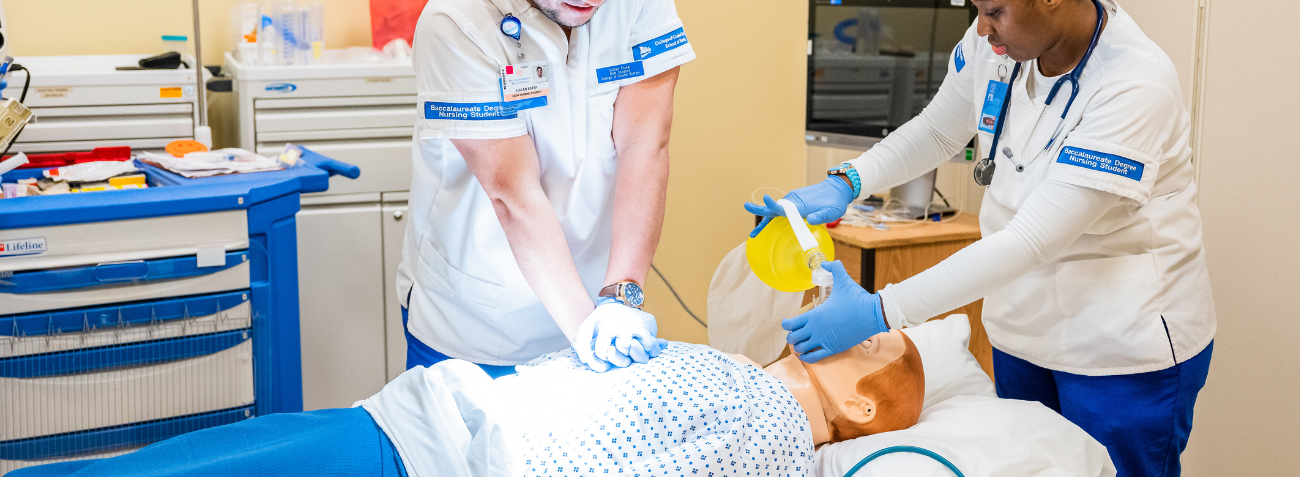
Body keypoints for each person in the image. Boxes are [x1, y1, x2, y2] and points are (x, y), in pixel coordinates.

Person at [746, 0, 1215, 477]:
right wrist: (847, 182)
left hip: (1121, 348)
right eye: (975, 7)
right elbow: (940, 128)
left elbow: (1030, 240)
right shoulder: (995, 42)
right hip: (1024, 331)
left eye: (993, 10)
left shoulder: (1133, 86)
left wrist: (880, 313)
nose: (981, 27)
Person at [402, 0, 695, 376]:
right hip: (480, 323)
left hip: (596, 297)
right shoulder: (460, 21)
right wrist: (589, 335)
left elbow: (644, 144)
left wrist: (622, 295)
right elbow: (513, 195)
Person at [13, 332, 924, 477]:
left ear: (862, 405)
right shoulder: (734, 368)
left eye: (872, 339)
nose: (851, 321)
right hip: (431, 421)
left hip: (440, 454)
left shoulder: (773, 433)